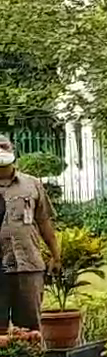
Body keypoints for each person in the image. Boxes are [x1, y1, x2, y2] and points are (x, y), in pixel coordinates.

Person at [0, 135, 59, 332]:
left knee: (30, 329)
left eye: (4, 146)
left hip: (29, 265)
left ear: (12, 151)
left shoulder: (31, 184)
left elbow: (44, 222)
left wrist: (56, 256)